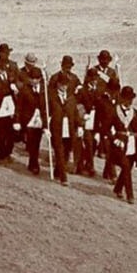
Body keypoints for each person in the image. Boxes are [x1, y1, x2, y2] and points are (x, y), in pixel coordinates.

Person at [46, 56, 84, 184]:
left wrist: (79, 126)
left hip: (69, 128)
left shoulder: (71, 98)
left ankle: (58, 171)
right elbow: (46, 112)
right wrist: (45, 127)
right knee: (59, 151)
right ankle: (63, 178)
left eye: (66, 85)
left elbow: (75, 113)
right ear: (58, 84)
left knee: (67, 151)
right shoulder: (51, 97)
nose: (64, 87)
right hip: (56, 127)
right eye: (62, 85)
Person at [110, 86, 137, 203]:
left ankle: (117, 188)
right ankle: (130, 195)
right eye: (127, 98)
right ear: (122, 98)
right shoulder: (114, 111)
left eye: (131, 99)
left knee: (128, 167)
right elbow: (107, 129)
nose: (130, 101)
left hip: (132, 145)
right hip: (119, 145)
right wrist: (114, 139)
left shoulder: (134, 113)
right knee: (125, 166)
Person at [15, 65, 48, 176]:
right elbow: (18, 107)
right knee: (31, 142)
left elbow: (46, 107)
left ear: (39, 79)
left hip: (39, 119)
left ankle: (32, 162)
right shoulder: (24, 90)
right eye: (32, 78)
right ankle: (35, 164)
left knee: (37, 143)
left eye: (36, 78)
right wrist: (17, 121)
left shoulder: (44, 91)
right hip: (28, 119)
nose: (34, 81)